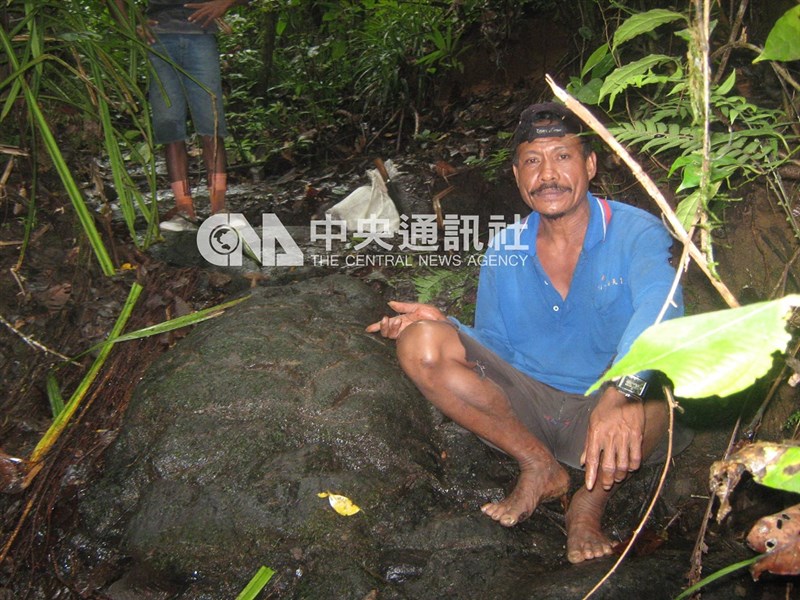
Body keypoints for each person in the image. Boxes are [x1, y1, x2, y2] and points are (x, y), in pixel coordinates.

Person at [366, 102, 692, 564]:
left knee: (658, 385)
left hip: (608, 405)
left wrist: (623, 391)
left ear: (590, 165)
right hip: (530, 405)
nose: (548, 175)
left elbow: (664, 309)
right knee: (420, 342)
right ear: (518, 178)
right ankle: (539, 465)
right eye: (533, 162)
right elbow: (497, 343)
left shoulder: (636, 232)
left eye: (562, 156)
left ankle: (590, 502)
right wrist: (443, 323)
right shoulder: (506, 246)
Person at [110, 0, 247, 231]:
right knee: (169, 124)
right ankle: (184, 210)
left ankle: (219, 209)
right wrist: (131, 24)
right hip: (159, 39)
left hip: (200, 36)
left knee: (210, 121)